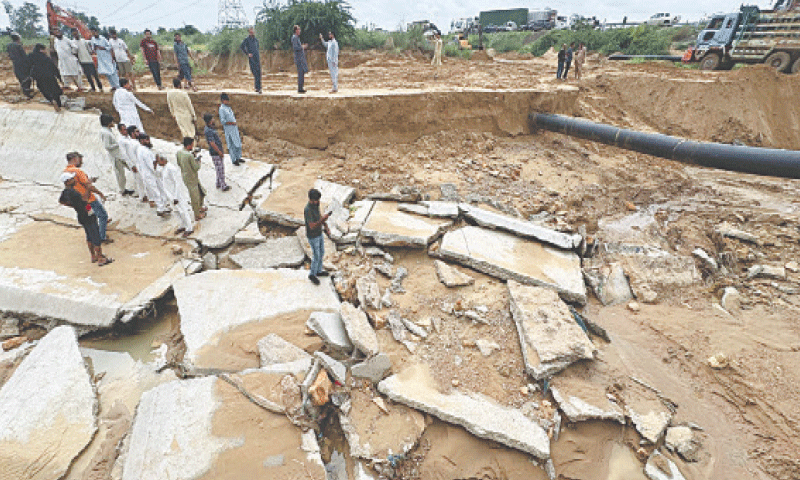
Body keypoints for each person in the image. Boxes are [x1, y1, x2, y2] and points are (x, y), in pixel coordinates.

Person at [59, 171, 112, 266]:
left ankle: (93, 256)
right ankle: (100, 258)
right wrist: (88, 187)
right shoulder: (73, 192)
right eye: (71, 179)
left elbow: (62, 201)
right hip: (87, 213)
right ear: (67, 182)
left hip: (81, 214)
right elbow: (85, 198)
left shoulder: (66, 192)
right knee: (95, 235)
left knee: (88, 235)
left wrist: (74, 206)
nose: (74, 180)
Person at [64, 152, 111, 243]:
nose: (81, 162)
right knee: (102, 215)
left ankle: (95, 234)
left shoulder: (66, 171)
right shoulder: (78, 171)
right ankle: (102, 236)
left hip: (81, 201)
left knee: (91, 215)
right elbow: (88, 186)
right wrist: (100, 193)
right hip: (90, 199)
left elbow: (77, 184)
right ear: (75, 159)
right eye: (80, 160)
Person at [155, 155, 194, 236]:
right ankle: (182, 225)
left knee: (183, 211)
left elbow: (177, 183)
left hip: (176, 195)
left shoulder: (171, 168)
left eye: (158, 161)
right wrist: (154, 166)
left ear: (163, 160)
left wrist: (176, 197)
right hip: (170, 195)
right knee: (176, 211)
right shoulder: (164, 168)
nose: (158, 163)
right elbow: (158, 175)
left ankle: (189, 228)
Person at [100, 114, 134, 196]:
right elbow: (107, 146)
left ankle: (123, 189)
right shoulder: (105, 133)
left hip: (119, 154)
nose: (113, 123)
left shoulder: (108, 131)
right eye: (112, 122)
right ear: (108, 123)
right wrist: (118, 144)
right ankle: (122, 190)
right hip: (115, 156)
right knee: (120, 174)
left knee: (126, 170)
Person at [136, 134, 169, 215]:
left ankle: (163, 206)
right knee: (156, 191)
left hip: (149, 174)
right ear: (142, 141)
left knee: (159, 189)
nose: (149, 141)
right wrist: (160, 168)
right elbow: (152, 165)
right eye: (147, 140)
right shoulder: (145, 152)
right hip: (150, 175)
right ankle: (161, 209)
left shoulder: (142, 149)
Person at [176, 137, 206, 220]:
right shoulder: (189, 156)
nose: (193, 146)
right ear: (189, 145)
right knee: (195, 197)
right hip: (192, 178)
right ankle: (197, 215)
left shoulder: (179, 152)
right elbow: (196, 167)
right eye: (192, 145)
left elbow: (179, 163)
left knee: (201, 192)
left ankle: (199, 207)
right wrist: (198, 161)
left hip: (187, 177)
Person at [304, 188, 330, 285]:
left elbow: (319, 216)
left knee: (322, 252)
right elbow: (311, 226)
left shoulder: (316, 205)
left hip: (319, 233)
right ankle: (312, 274)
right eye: (316, 200)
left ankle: (318, 271)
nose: (318, 202)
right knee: (316, 255)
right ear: (311, 200)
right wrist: (322, 220)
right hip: (313, 236)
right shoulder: (308, 210)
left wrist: (325, 226)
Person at [28, 44, 63, 112]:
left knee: (44, 90)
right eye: (44, 49)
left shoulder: (31, 56)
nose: (45, 51)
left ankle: (51, 100)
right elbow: (54, 68)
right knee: (54, 89)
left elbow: (28, 66)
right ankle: (58, 104)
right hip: (50, 76)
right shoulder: (46, 58)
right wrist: (59, 78)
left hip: (39, 77)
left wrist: (32, 76)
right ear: (41, 50)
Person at [203, 113, 231, 191]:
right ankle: (223, 186)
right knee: (220, 169)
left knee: (218, 168)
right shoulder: (208, 131)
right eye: (212, 119)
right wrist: (219, 152)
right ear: (209, 121)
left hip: (216, 152)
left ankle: (218, 183)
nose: (214, 120)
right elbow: (212, 143)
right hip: (215, 153)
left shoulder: (209, 128)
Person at [118, 123, 145, 198]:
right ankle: (142, 196)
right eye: (123, 130)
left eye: (126, 129)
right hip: (133, 162)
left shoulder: (129, 138)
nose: (125, 131)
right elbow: (124, 154)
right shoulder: (121, 141)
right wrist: (131, 165)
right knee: (139, 180)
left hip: (138, 160)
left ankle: (144, 195)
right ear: (120, 131)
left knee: (142, 179)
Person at [218, 93, 243, 166]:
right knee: (231, 144)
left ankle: (238, 157)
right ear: (223, 100)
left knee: (237, 143)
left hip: (234, 128)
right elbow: (223, 121)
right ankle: (234, 159)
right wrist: (231, 123)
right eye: (226, 100)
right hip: (229, 129)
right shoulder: (221, 109)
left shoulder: (228, 108)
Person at [7, 33, 34, 97]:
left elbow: (9, 55)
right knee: (27, 77)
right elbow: (24, 56)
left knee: (20, 77)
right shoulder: (18, 46)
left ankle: (25, 91)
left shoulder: (9, 46)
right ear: (18, 38)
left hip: (15, 64)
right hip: (22, 64)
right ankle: (27, 92)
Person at [240, 27, 261, 93]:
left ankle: (259, 88)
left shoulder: (256, 40)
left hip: (257, 57)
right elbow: (242, 46)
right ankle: (257, 87)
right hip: (251, 58)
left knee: (259, 72)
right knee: (254, 72)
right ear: (249, 31)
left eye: (253, 30)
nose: (252, 31)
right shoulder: (247, 39)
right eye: (251, 30)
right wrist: (247, 53)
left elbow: (257, 47)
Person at [291, 25, 308, 93]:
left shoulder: (297, 38)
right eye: (299, 29)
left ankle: (301, 87)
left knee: (302, 72)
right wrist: (302, 47)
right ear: (296, 30)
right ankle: (300, 88)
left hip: (300, 58)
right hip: (299, 59)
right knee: (300, 73)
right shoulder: (294, 38)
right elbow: (295, 48)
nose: (300, 31)